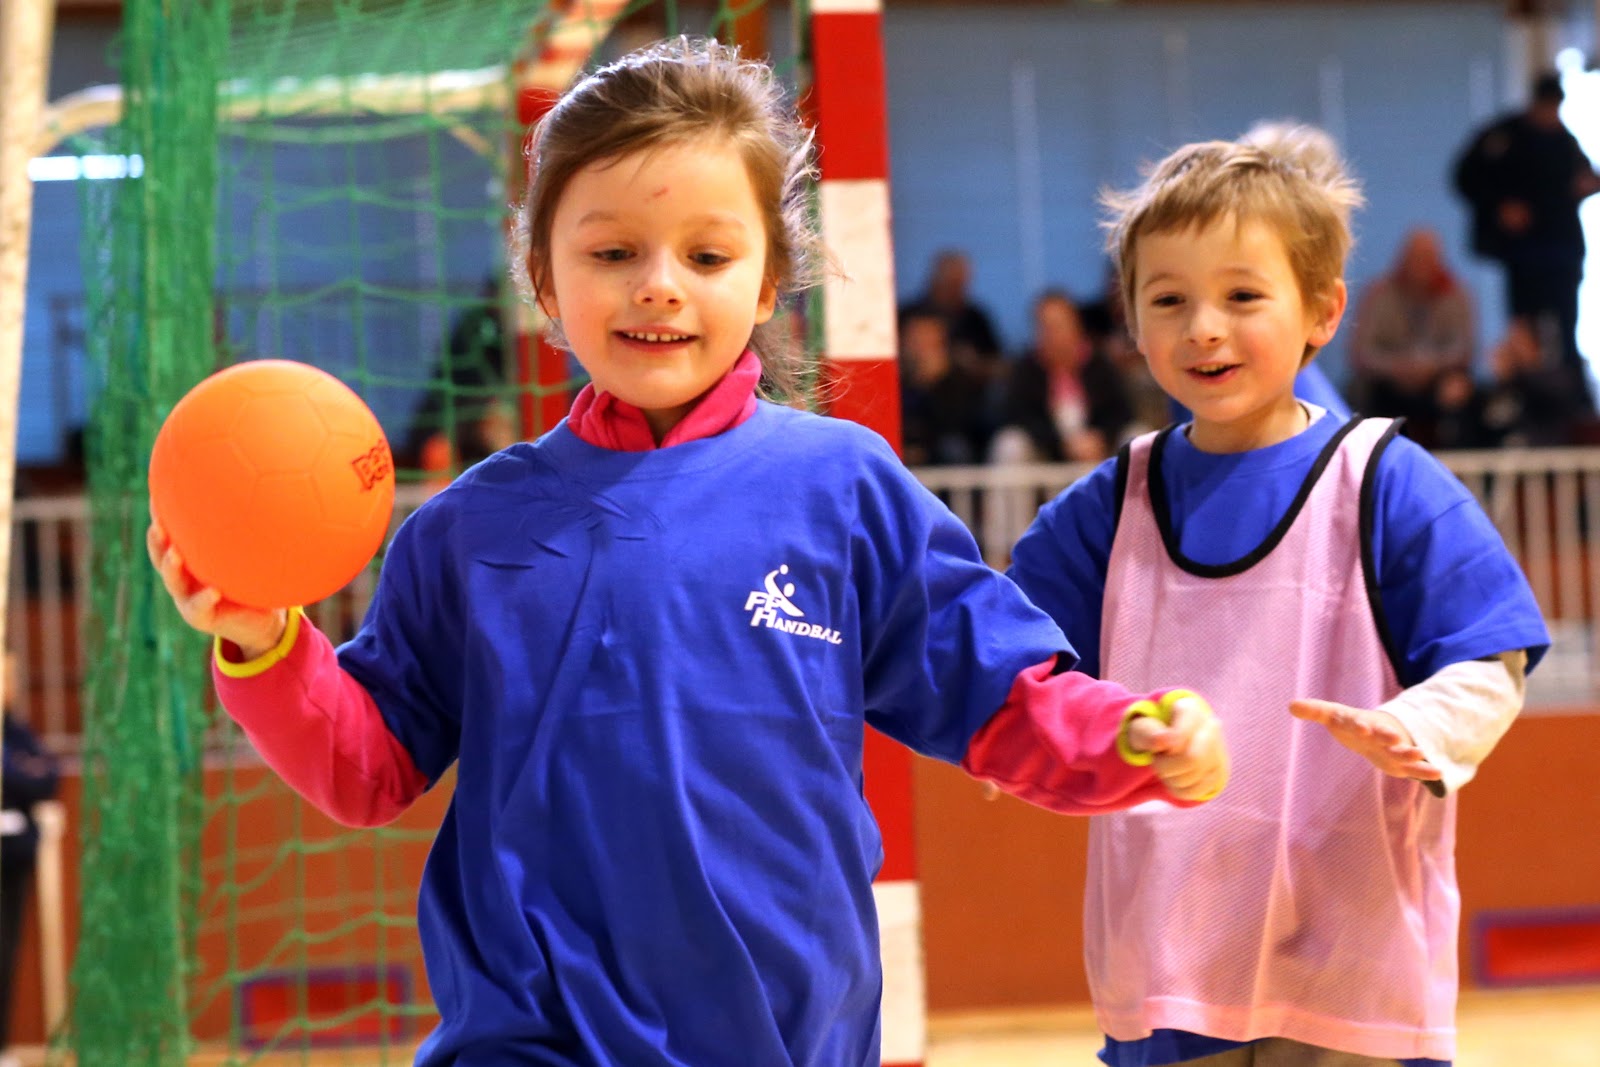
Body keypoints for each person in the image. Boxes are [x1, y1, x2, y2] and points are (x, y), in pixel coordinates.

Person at [146, 38, 1229, 1067]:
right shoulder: (465, 532)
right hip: (526, 1036)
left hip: (786, 1033)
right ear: (541, 275)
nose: (659, 283)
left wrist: (1129, 739)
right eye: (612, 252)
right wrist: (263, 643)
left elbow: (999, 695)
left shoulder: (841, 488)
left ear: (765, 284)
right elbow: (364, 766)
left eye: (706, 254)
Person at [1009, 123, 1549, 1067]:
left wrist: (1421, 726)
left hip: (1354, 960)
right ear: (1132, 323)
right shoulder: (1107, 506)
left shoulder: (1387, 481)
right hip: (1172, 960)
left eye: (1242, 296)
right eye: (1168, 300)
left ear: (1324, 311)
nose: (1203, 327)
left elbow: (1490, 661)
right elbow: (1015, 667)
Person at [1453, 71, 1600, 404]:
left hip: (1561, 253)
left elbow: (1582, 179)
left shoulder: (1564, 139)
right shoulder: (1505, 135)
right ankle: (1525, 400)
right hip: (1523, 256)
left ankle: (1572, 404)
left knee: (1565, 330)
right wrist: (1500, 206)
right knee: (1524, 332)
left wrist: (1585, 186)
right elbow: (1466, 177)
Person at [1349, 226, 1475, 447]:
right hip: (1387, 382)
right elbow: (1362, 352)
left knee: (1458, 389)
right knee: (1358, 391)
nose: (1422, 264)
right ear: (1403, 258)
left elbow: (1463, 350)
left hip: (1436, 379)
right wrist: (1397, 367)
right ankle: (1365, 456)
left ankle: (1455, 460)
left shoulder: (1456, 294)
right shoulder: (1379, 294)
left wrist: (1431, 366)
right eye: (1416, 257)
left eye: (1428, 257)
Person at [0, 651, 60, 1067]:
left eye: (10, 676)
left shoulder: (17, 737)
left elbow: (44, 778)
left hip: (10, 857)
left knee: (4, 954)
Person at [898, 306, 990, 465]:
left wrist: (935, 385)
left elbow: (960, 428)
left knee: (954, 448)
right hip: (901, 449)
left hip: (940, 456)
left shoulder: (959, 380)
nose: (923, 349)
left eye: (930, 341)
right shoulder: (894, 381)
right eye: (917, 340)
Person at [898, 249, 1006, 383]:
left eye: (960, 283)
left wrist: (972, 364)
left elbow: (998, 363)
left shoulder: (975, 318)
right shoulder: (907, 315)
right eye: (950, 282)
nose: (955, 289)